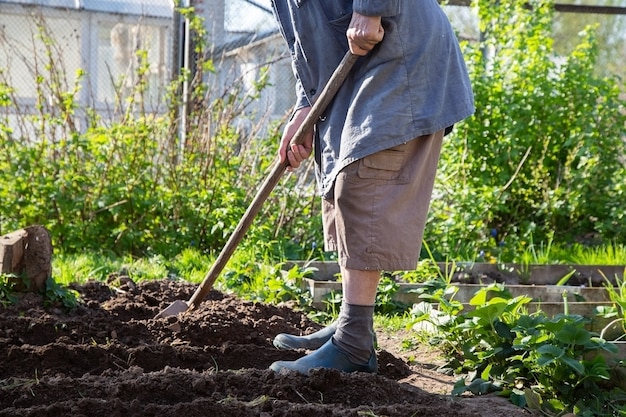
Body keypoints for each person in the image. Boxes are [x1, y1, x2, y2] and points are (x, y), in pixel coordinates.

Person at [269, 0, 475, 374]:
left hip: (399, 48)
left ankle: (353, 345)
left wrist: (371, 6)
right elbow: (309, 37)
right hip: (362, 64)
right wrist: (306, 103)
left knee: (363, 177)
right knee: (341, 185)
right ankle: (353, 324)